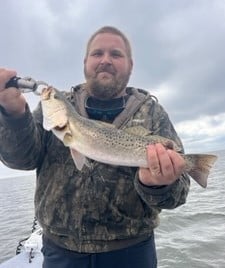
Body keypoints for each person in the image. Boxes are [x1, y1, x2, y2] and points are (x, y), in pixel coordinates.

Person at [0, 26, 189, 268]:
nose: (106, 60)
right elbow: (22, 160)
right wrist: (14, 117)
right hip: (60, 252)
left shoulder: (152, 113)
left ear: (130, 65)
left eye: (116, 54)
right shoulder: (59, 107)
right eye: (97, 53)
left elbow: (178, 195)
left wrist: (159, 184)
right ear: (85, 62)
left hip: (131, 253)